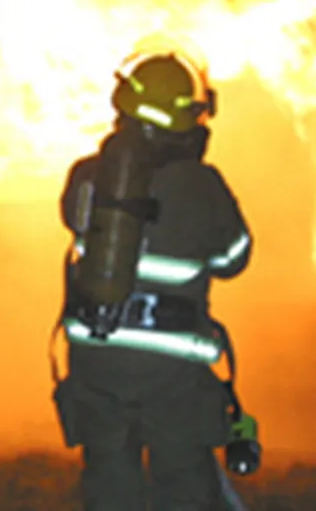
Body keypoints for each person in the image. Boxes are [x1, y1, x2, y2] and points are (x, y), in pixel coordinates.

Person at [51, 50, 253, 511]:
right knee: (183, 484)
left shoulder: (86, 175)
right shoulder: (203, 185)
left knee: (109, 484)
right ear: (188, 118)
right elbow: (234, 258)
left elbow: (71, 219)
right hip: (171, 372)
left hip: (95, 359)